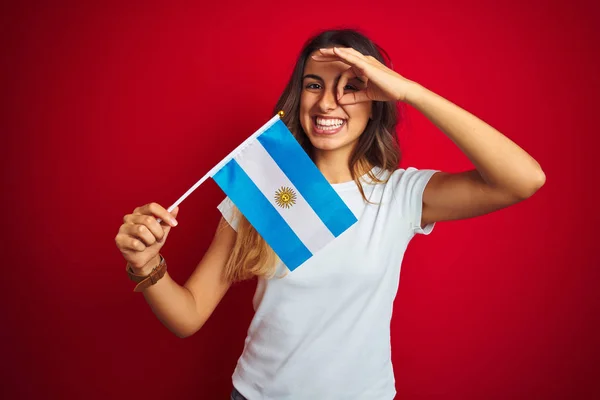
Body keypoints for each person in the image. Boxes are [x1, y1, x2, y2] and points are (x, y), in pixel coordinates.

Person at [114, 28, 545, 400]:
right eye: (314, 84)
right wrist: (146, 264)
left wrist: (406, 89)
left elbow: (522, 179)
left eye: (351, 86)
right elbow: (188, 316)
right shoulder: (267, 185)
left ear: (376, 98)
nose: (328, 103)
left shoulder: (399, 194)